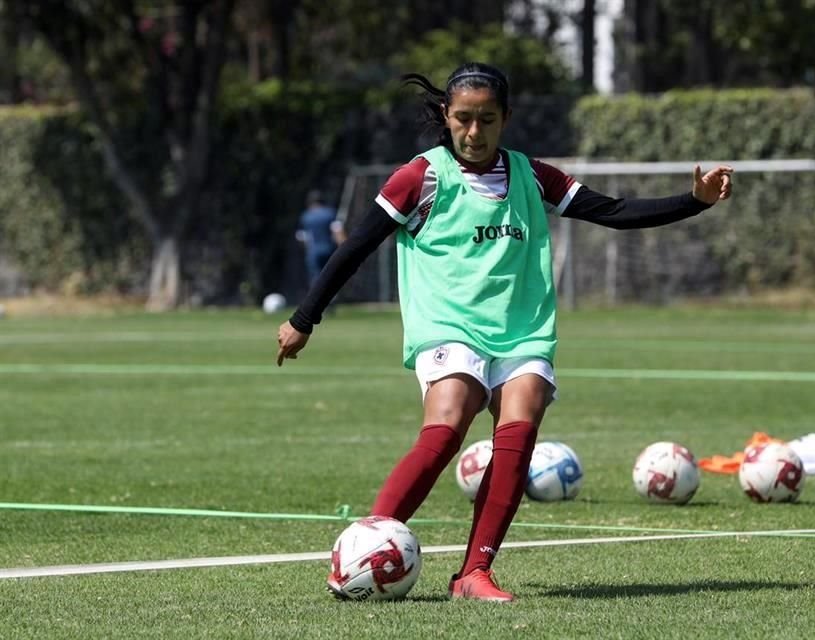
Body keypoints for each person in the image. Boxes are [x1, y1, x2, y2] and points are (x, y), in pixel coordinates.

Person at [276, 62, 732, 602]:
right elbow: (356, 246)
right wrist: (305, 318)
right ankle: (364, 549)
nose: (474, 132)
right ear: (446, 116)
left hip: (523, 333)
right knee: (450, 421)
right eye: (463, 119)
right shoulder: (419, 177)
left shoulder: (532, 176)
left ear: (505, 119)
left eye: (486, 120)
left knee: (522, 418)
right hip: (448, 327)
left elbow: (613, 211)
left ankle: (474, 574)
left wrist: (694, 202)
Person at [296, 190, 347, 288]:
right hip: (329, 249)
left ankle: (317, 300)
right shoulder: (330, 213)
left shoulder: (306, 216)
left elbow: (301, 237)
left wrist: (308, 250)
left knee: (316, 277)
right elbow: (337, 231)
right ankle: (332, 299)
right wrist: (345, 249)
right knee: (331, 275)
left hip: (313, 251)